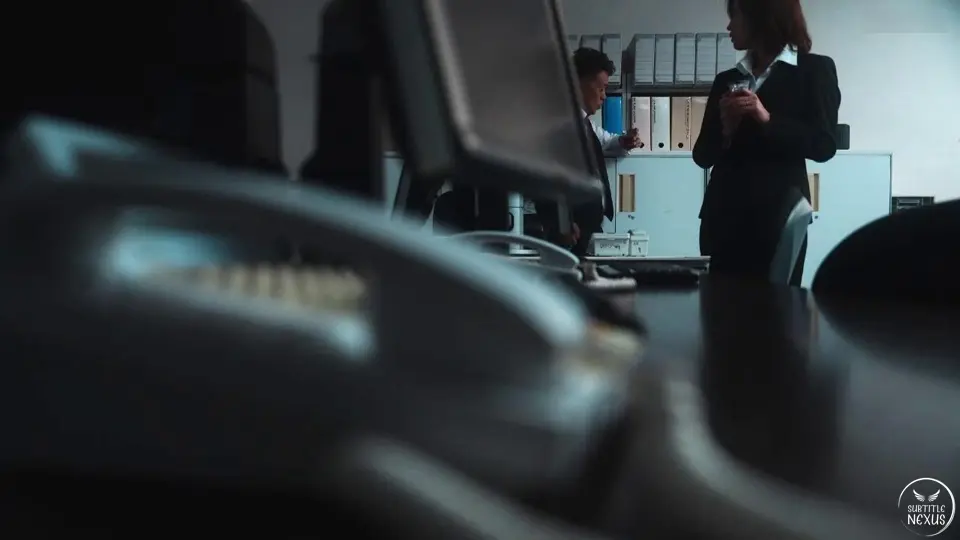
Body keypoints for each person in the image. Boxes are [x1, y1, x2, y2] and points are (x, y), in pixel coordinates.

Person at [693, 0, 840, 286]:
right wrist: (727, 129)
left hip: (778, 218)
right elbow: (702, 156)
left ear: (761, 17)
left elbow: (823, 145)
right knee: (718, 308)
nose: (729, 26)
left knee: (776, 309)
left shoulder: (814, 70)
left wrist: (767, 119)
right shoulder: (727, 80)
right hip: (722, 217)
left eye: (735, 16)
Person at [537, 47, 642, 256]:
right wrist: (561, 224)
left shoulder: (585, 124)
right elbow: (548, 178)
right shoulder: (559, 124)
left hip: (588, 230)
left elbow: (604, 141)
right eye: (601, 88)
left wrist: (623, 141)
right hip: (570, 233)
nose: (604, 96)